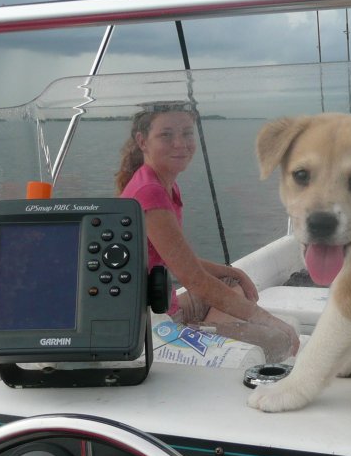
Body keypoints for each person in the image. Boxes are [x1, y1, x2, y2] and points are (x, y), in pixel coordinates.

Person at [116, 101, 299, 362]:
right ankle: (206, 335)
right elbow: (194, 280)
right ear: (142, 141)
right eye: (166, 135)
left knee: (231, 283)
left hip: (168, 305)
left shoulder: (163, 184)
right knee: (278, 341)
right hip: (153, 324)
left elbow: (173, 258)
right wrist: (269, 322)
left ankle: (212, 331)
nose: (180, 143)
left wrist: (231, 271)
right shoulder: (150, 193)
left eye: (187, 133)